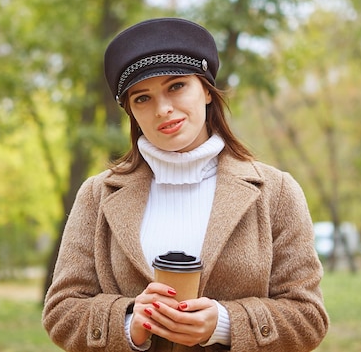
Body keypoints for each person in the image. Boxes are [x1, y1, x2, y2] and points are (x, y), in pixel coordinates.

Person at [42, 18, 329, 352]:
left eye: (176, 86)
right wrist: (131, 321)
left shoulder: (275, 192)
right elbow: (62, 310)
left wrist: (223, 324)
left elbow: (309, 318)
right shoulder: (98, 194)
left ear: (206, 90)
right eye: (142, 98)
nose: (163, 109)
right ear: (131, 112)